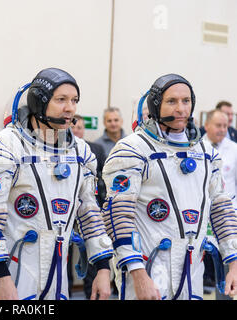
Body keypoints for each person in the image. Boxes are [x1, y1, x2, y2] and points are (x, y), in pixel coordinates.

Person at [0, 68, 113, 300]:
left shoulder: (81, 151)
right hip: (13, 275)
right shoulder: (2, 147)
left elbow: (89, 214)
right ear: (38, 102)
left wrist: (104, 268)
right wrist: (1, 278)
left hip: (58, 279)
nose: (70, 108)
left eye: (74, 100)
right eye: (61, 100)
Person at [101, 73, 237, 300]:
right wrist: (138, 273)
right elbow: (118, 216)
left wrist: (233, 261)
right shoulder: (133, 149)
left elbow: (221, 208)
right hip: (149, 270)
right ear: (156, 105)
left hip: (192, 270)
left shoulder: (206, 153)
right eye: (172, 101)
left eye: (186, 101)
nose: (181, 109)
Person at [71, 114, 108, 299]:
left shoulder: (95, 149)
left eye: (79, 127)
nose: (76, 130)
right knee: (65, 250)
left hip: (89, 203)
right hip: (66, 207)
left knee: (92, 245)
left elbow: (101, 177)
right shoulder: (59, 149)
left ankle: (90, 292)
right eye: (73, 127)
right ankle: (66, 289)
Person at [203, 109, 237, 300]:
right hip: (200, 219)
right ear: (206, 125)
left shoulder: (234, 149)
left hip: (227, 218)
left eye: (226, 126)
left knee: (226, 268)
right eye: (218, 125)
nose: (223, 129)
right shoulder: (196, 148)